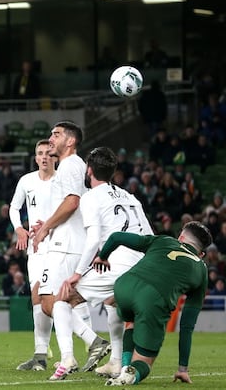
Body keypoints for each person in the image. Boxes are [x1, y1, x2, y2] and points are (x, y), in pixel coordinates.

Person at [57, 147, 152, 379]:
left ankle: (68, 357)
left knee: (61, 299)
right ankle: (116, 362)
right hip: (141, 265)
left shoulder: (90, 197)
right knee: (112, 302)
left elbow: (93, 239)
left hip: (116, 263)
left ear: (88, 170)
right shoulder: (130, 197)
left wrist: (77, 273)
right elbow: (149, 236)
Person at [31, 121, 109, 381]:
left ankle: (89, 343)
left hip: (67, 246)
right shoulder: (68, 166)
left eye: (57, 135)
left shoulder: (71, 165)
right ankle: (71, 355)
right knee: (52, 302)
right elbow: (68, 203)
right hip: (65, 242)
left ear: (71, 141)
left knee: (50, 302)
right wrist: (49, 224)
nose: (51, 139)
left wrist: (45, 229)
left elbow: (72, 202)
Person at [93, 221, 212, 385]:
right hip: (153, 299)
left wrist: (103, 257)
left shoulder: (163, 240)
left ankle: (123, 367)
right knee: (145, 361)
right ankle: (130, 374)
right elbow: (187, 325)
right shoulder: (201, 269)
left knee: (133, 320)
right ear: (202, 254)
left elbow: (116, 237)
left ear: (181, 237)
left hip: (124, 285)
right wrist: (182, 368)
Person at [11, 139, 56, 372]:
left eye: (49, 153)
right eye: (40, 153)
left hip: (60, 245)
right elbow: (13, 207)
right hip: (36, 247)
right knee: (37, 295)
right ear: (36, 157)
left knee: (63, 298)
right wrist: (19, 228)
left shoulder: (63, 181)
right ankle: (40, 353)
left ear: (55, 156)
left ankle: (90, 343)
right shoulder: (26, 181)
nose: (44, 157)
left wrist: (48, 225)